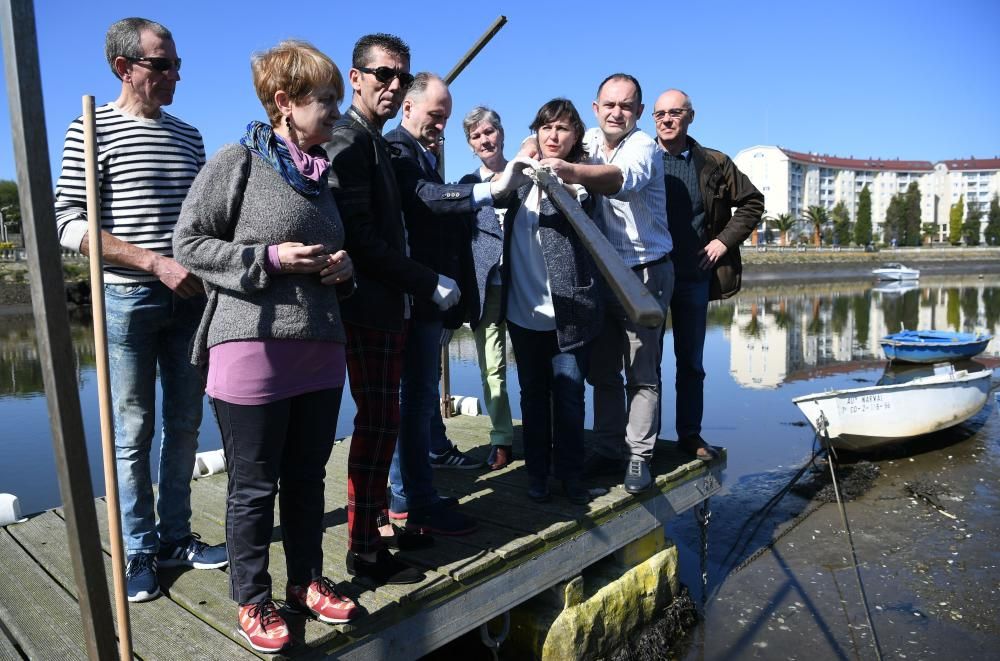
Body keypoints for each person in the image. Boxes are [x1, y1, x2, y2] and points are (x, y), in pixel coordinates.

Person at [173, 40, 360, 654]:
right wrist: (270, 258)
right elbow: (190, 245)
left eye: (336, 99)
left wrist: (344, 268)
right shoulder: (238, 162)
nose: (335, 110)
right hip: (250, 344)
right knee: (253, 486)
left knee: (308, 477)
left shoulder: (322, 175)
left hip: (321, 345)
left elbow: (337, 250)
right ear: (284, 102)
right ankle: (253, 598)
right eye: (325, 99)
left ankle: (306, 579)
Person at [323, 35, 524, 578]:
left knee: (393, 415)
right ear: (356, 76)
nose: (390, 85)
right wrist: (426, 278)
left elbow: (405, 212)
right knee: (383, 419)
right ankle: (385, 525)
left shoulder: (382, 142)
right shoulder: (365, 142)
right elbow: (369, 230)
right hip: (377, 300)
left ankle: (391, 519)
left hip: (402, 298)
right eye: (383, 76)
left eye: (399, 76)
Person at [53, 17, 226, 605]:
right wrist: (154, 264)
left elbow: (201, 224)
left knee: (183, 425)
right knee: (131, 431)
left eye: (178, 63)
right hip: (127, 298)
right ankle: (138, 549)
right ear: (124, 69)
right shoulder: (90, 128)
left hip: (190, 299)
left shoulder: (189, 135)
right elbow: (67, 223)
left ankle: (176, 537)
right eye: (163, 64)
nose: (175, 73)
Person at [531, 73, 673, 494]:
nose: (617, 113)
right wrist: (531, 149)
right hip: (602, 274)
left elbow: (616, 180)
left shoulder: (643, 147)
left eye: (626, 106)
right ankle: (610, 446)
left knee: (642, 372)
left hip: (645, 272)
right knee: (603, 372)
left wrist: (569, 170)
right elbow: (548, 137)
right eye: (609, 105)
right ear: (596, 109)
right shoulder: (590, 138)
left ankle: (639, 456)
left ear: (639, 113)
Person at [384, 73, 507, 535]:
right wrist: (485, 191)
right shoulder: (398, 150)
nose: (440, 126)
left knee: (417, 400)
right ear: (409, 107)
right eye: (435, 116)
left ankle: (416, 493)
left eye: (446, 119)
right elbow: (427, 200)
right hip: (415, 295)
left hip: (431, 299)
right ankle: (408, 499)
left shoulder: (420, 152)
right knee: (410, 402)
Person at [651, 89, 763, 460]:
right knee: (645, 365)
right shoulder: (640, 157)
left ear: (690, 117)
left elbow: (751, 202)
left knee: (691, 363)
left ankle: (690, 435)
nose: (666, 120)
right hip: (648, 276)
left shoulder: (714, 162)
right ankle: (643, 441)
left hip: (693, 277)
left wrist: (722, 243)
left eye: (675, 113)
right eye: (659, 114)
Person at [503, 99, 603, 505]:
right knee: (532, 397)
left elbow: (582, 200)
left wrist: (560, 174)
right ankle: (538, 476)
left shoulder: (581, 180)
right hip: (523, 311)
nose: (553, 136)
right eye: (546, 128)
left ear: (576, 135)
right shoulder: (520, 179)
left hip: (568, 313)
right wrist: (525, 156)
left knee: (569, 398)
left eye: (562, 128)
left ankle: (572, 478)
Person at [459, 106, 516, 471]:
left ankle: (548, 433)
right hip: (487, 288)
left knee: (542, 366)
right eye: (476, 136)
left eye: (489, 132)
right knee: (492, 367)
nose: (485, 140)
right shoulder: (466, 186)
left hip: (526, 283)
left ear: (501, 133)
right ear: (470, 144)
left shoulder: (524, 175)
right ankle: (501, 438)